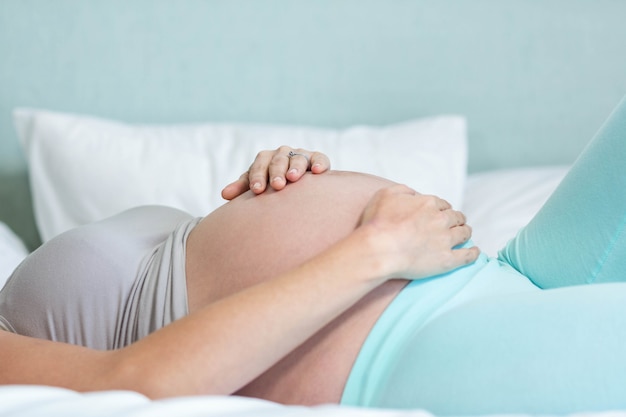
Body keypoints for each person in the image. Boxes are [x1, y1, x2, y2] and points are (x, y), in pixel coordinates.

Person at [1, 94, 626, 416]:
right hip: (409, 349)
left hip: (494, 274)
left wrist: (270, 192)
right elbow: (137, 385)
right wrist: (373, 249)